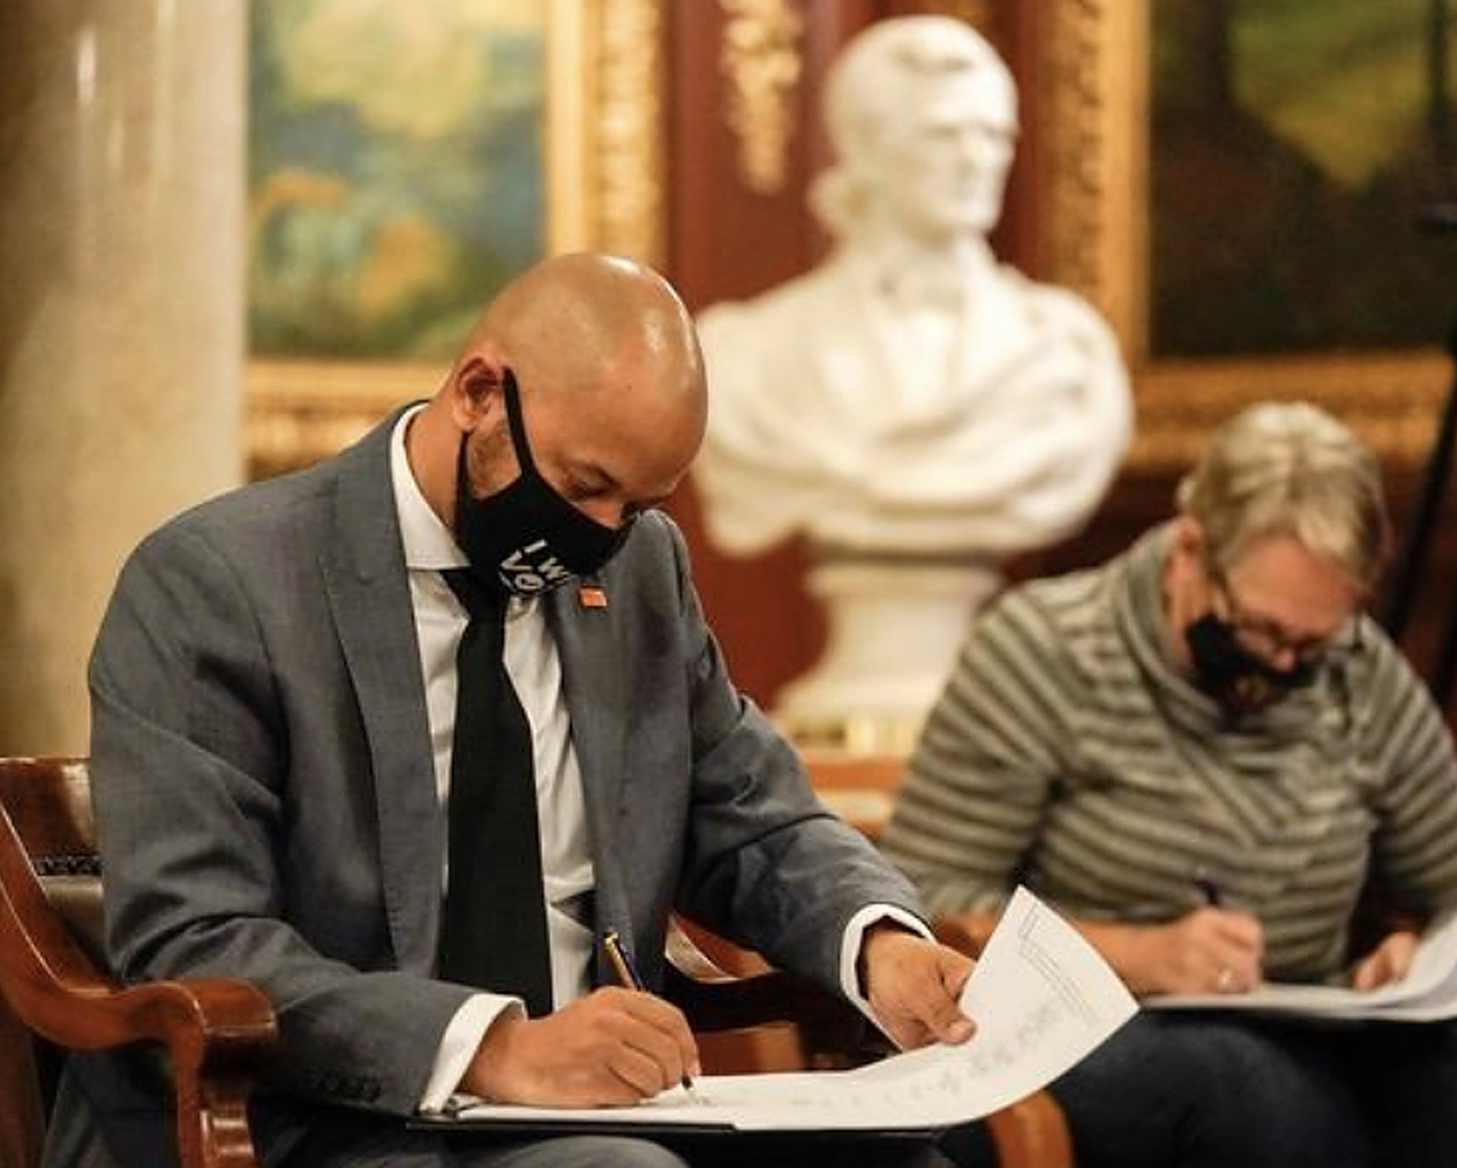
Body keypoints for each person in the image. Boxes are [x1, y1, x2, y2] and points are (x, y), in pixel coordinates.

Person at [56, 253, 977, 1168]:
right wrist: (494, 1048)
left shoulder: (641, 570)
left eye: (639, 505)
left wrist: (878, 943)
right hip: (325, 1118)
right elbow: (195, 939)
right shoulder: (221, 583)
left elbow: (751, 817)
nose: (602, 537)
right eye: (583, 488)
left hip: (611, 1115)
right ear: (478, 394)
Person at [879, 401, 1457, 1168]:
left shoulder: (1360, 675)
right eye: (1261, 629)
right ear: (1191, 549)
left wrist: (1422, 958)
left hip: (1298, 1030)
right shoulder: (1044, 650)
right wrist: (1139, 953)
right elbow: (926, 900)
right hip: (1071, 1035)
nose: (1281, 665)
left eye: (1310, 643)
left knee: (1456, 1082)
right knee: (1245, 1089)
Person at [692, 15, 1133, 741]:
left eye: (994, 135)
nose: (976, 160)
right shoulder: (749, 357)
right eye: (942, 135)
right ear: (865, 150)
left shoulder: (1067, 358)